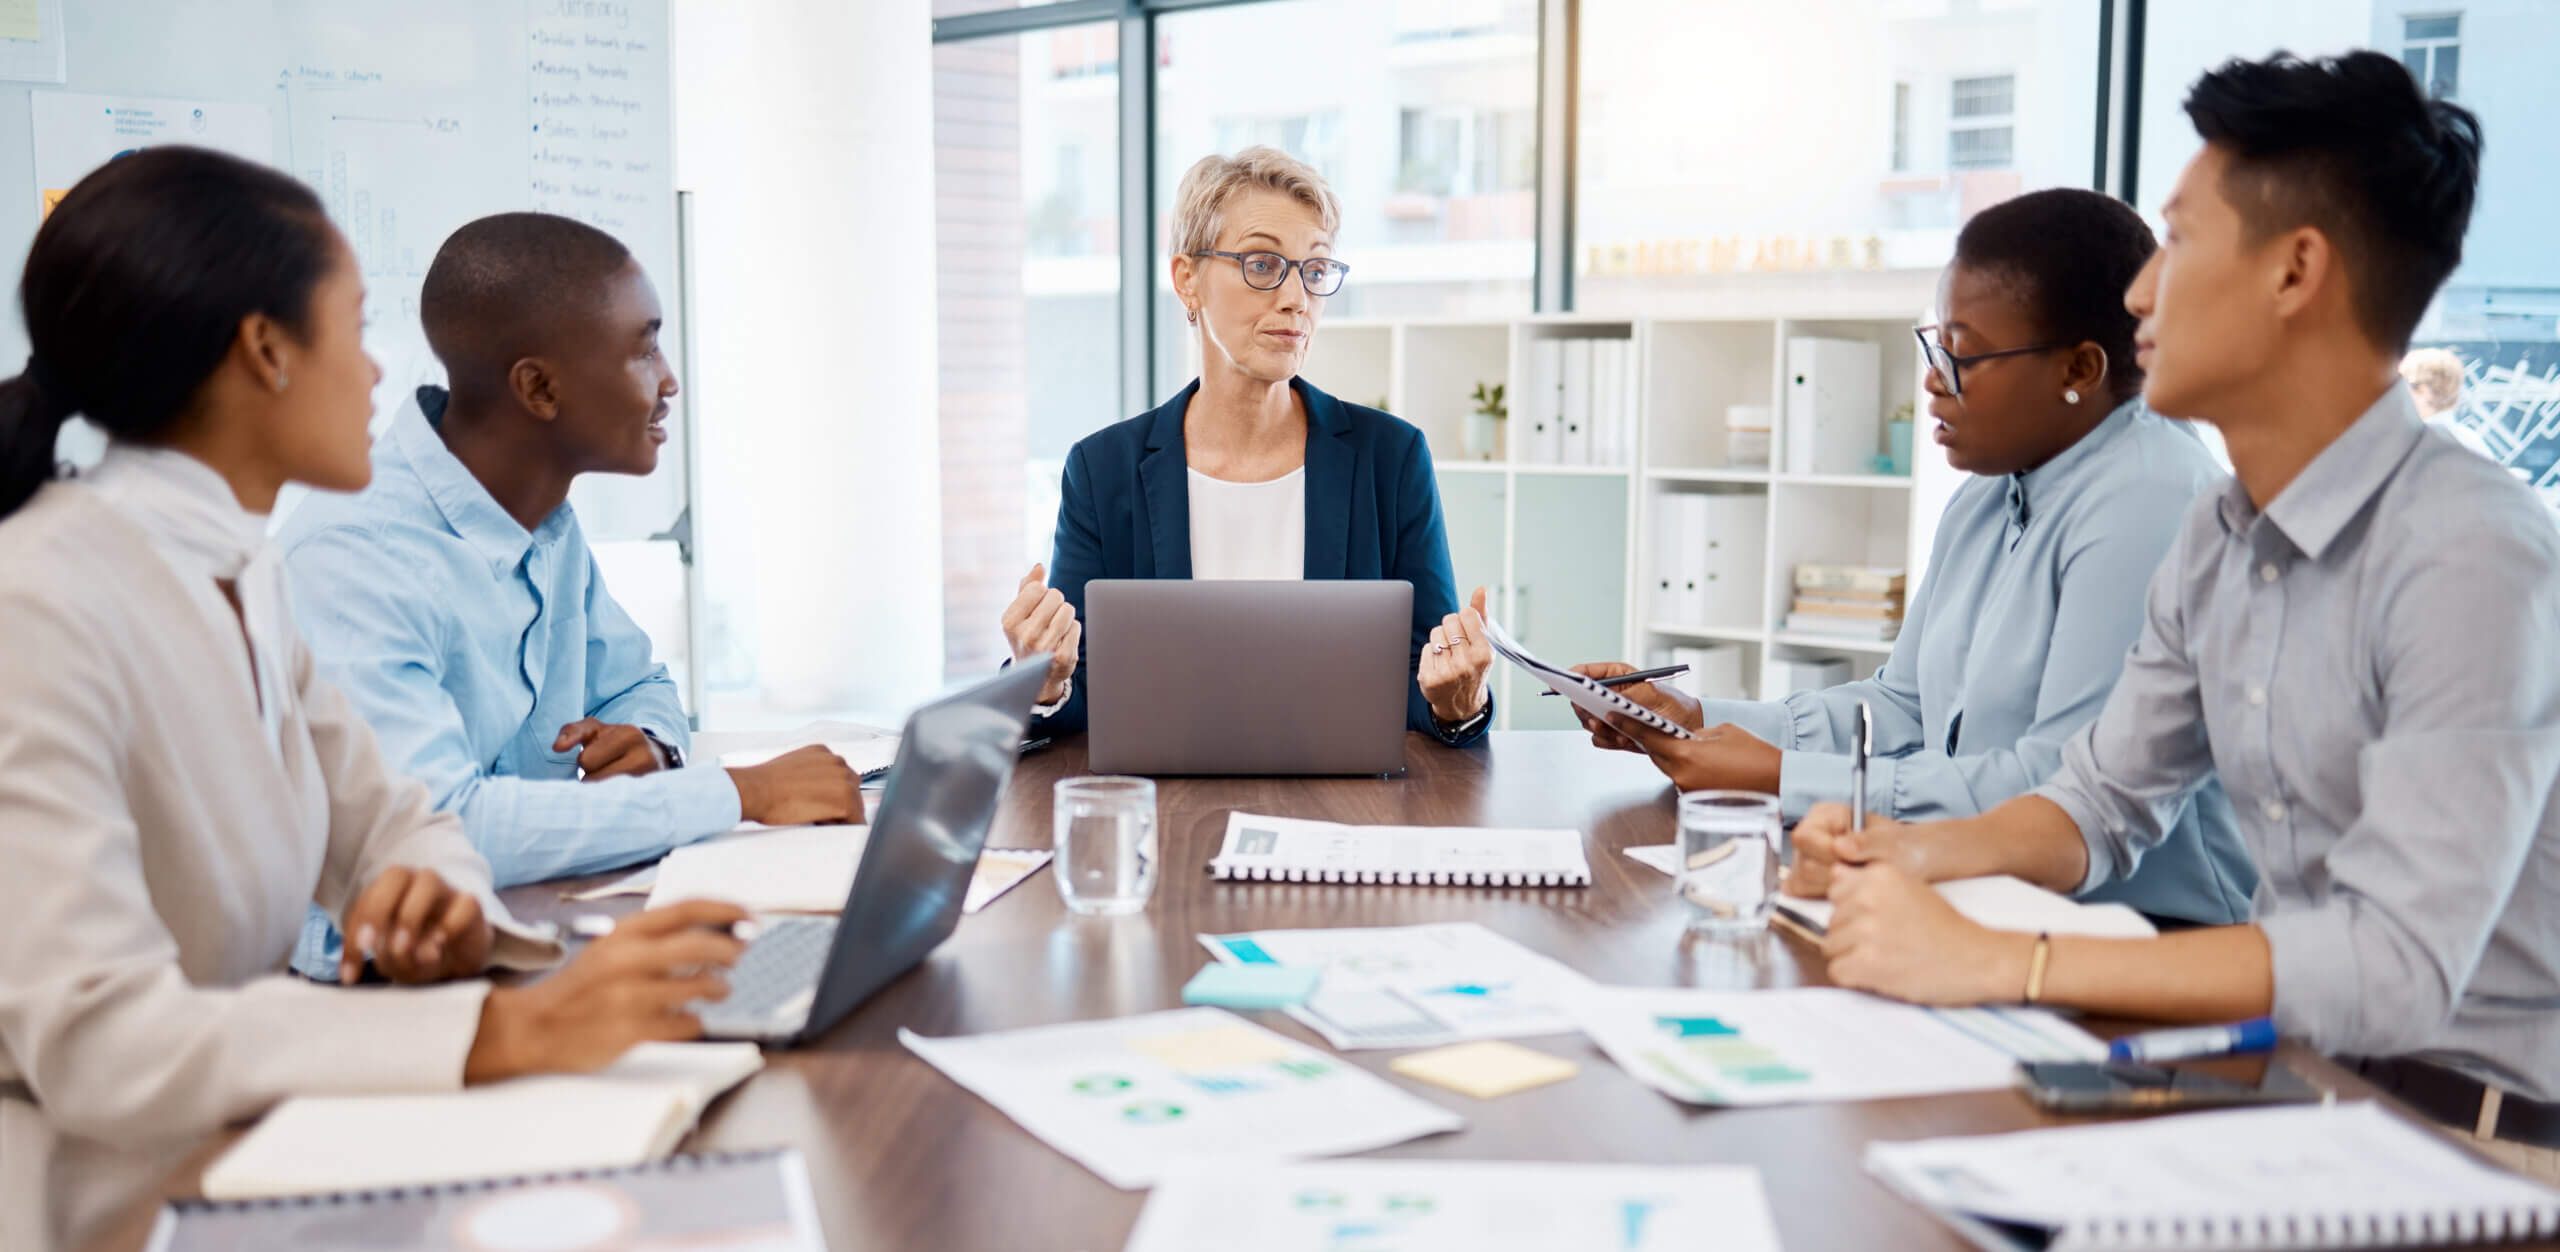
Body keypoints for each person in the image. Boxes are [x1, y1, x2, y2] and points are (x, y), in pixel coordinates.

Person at [1780, 53, 2560, 1179]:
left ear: (2296, 272)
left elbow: (2391, 964)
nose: (2142, 291)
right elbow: (2099, 802)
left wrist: (2006, 957)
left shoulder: (2470, 553)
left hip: (2472, 1146)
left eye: (2180, 244)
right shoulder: (2222, 534)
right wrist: (1895, 853)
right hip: (2294, 1096)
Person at [0, 148, 750, 1252]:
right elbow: (103, 1041)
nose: (379, 375)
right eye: (352, 331)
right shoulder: (44, 601)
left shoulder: (239, 572)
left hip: (262, 1139)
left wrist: (432, 903)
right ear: (265, 352)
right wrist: (505, 1028)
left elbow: (400, 822)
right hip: (100, 1195)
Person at [1581, 189, 2253, 924]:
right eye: (1936, 345)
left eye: (1963, 356)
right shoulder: (1992, 493)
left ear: (2079, 371)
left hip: (2150, 937)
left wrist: (1783, 776)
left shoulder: (2150, 501)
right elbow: (1905, 707)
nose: (1934, 380)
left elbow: (2055, 794)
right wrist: (1696, 718)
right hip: (1993, 905)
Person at [276, 213, 859, 974]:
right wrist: (741, 793)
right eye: (644, 347)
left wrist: (647, 743)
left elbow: (640, 683)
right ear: (540, 388)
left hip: (538, 926)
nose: (669, 379)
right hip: (378, 988)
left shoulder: (542, 519)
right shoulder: (355, 555)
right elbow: (446, 828)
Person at [999, 147, 1497, 747]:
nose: (1296, 299)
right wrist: (1044, 680)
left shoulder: (1390, 459)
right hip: (1170, 810)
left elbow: (1429, 688)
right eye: (1262, 265)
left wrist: (1457, 703)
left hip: (1343, 808)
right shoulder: (1103, 470)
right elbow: (1078, 699)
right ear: (1188, 280)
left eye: (1313, 271)